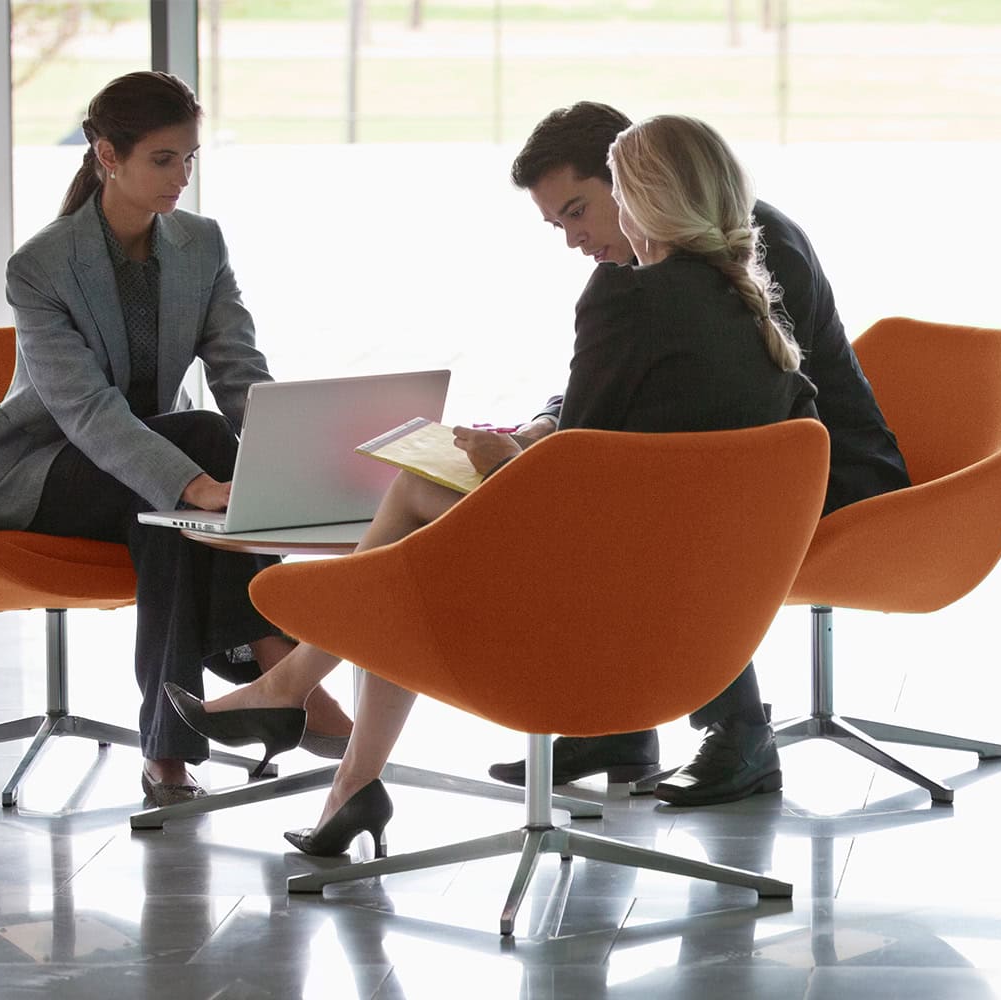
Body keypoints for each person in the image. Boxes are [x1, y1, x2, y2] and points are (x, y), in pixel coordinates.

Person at [165, 113, 819, 856]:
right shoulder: (757, 315)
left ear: (639, 199)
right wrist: (522, 450)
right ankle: (347, 780)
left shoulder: (627, 297)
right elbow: (628, 458)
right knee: (409, 544)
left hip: (594, 600)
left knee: (409, 514)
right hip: (697, 611)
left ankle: (288, 693)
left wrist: (502, 459)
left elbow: (573, 475)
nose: (584, 232)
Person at [464, 101, 912, 807]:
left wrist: (560, 442)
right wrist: (543, 426)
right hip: (754, 468)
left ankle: (733, 731)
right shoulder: (663, 268)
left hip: (828, 474)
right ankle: (619, 721)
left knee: (652, 500)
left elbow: (727, 410)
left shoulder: (748, 250)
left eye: (580, 211)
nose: (575, 239)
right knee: (640, 486)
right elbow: (623, 383)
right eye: (559, 225)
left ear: (632, 178)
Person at [0, 71, 352, 808]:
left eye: (189, 158)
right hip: (44, 471)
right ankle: (274, 658)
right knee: (186, 451)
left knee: (164, 514)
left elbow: (238, 367)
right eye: (163, 159)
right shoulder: (41, 266)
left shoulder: (199, 244)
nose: (181, 178)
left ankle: (170, 749)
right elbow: (88, 411)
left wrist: (290, 459)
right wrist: (193, 482)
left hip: (137, 476)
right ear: (107, 154)